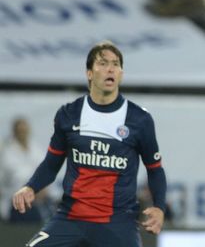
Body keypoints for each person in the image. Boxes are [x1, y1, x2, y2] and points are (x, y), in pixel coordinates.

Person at [12, 41, 166, 247]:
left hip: (118, 222)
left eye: (115, 64)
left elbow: (155, 169)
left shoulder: (139, 120)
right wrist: (31, 187)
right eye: (103, 63)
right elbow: (52, 162)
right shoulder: (68, 114)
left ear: (121, 73)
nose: (110, 68)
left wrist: (159, 207)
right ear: (89, 73)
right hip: (71, 218)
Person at [0, 117, 49, 223]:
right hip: (15, 202)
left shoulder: (36, 149)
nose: (23, 133)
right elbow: (16, 177)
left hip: (39, 200)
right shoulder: (7, 152)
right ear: (15, 132)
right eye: (20, 130)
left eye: (24, 130)